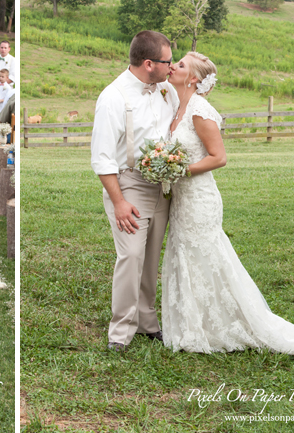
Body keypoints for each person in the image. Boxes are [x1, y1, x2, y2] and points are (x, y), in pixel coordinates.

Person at [161, 52, 294, 357]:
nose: (172, 67)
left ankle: (222, 327)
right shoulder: (176, 105)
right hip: (181, 200)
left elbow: (218, 157)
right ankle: (191, 326)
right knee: (185, 256)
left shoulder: (200, 110)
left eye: (180, 65)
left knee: (206, 258)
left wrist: (178, 170)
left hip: (199, 198)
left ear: (194, 79)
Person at [90, 30, 178, 351]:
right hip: (129, 186)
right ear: (148, 63)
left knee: (151, 256)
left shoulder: (166, 90)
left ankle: (146, 321)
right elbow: (101, 159)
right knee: (130, 256)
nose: (173, 67)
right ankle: (120, 332)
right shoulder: (113, 98)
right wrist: (119, 202)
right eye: (168, 62)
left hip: (163, 186)